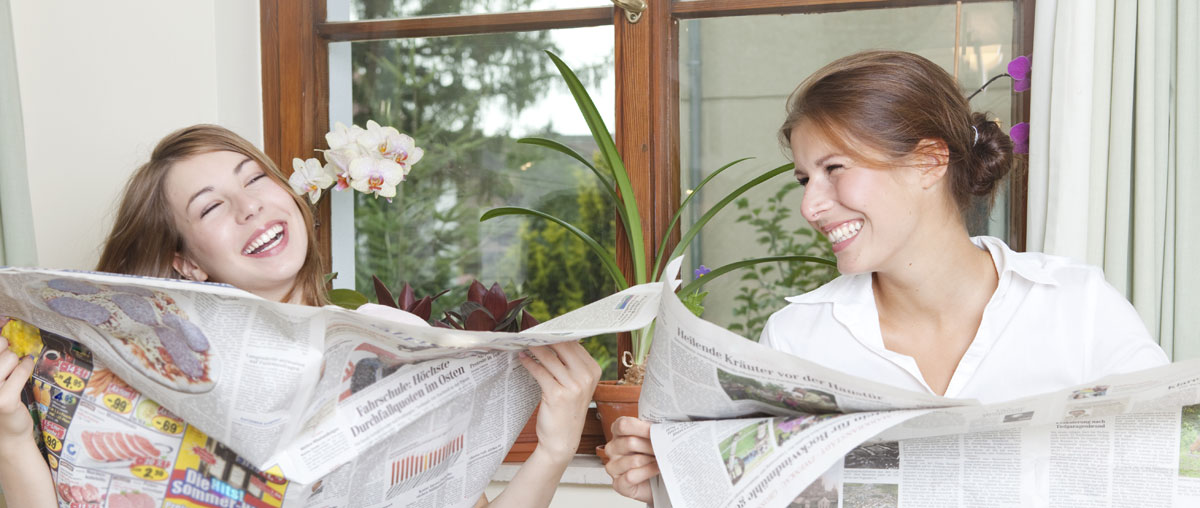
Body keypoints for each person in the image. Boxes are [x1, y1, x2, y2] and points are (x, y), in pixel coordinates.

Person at [603, 50, 1168, 503]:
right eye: (805, 179)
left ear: (928, 161)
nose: (811, 206)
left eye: (834, 169)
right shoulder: (798, 337)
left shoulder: (1077, 306)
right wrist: (671, 484)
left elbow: (1169, 475)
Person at [0, 124, 601, 508]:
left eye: (256, 177)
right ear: (184, 264)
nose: (250, 206)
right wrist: (11, 437)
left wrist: (553, 448)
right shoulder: (139, 369)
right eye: (211, 207)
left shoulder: (391, 342)